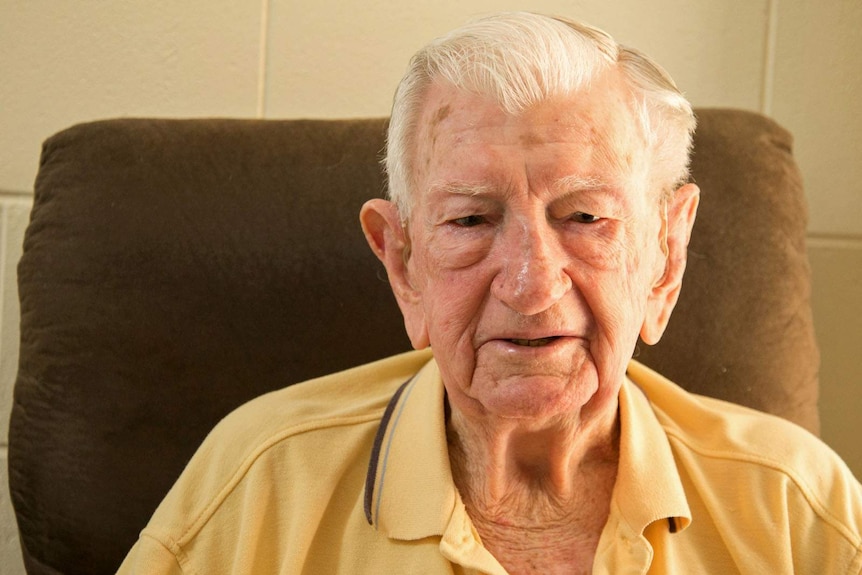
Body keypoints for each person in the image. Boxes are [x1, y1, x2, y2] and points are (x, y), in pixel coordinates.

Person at [117, 12, 862, 574]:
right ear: (403, 262)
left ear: (666, 256)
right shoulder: (257, 488)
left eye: (584, 218)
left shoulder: (799, 512)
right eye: (471, 218)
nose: (532, 284)